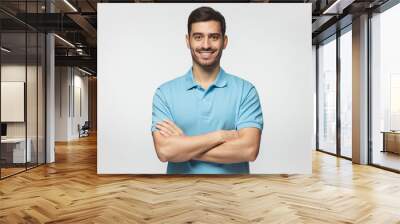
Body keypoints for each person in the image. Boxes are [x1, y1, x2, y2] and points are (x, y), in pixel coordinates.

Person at [151, 6, 263, 174]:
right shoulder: (164, 93)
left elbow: (249, 150)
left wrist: (184, 146)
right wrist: (218, 136)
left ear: (224, 41)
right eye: (198, 37)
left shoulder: (246, 91)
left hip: (233, 194)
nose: (206, 45)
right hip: (178, 193)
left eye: (214, 37)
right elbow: (165, 151)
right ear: (188, 41)